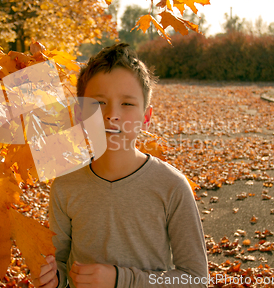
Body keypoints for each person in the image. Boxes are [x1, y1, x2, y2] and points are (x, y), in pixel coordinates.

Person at [34, 43, 208, 288]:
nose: (112, 114)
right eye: (99, 103)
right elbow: (61, 265)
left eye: (127, 104)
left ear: (145, 118)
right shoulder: (65, 186)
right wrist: (53, 279)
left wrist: (120, 280)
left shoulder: (172, 187)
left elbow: (196, 279)